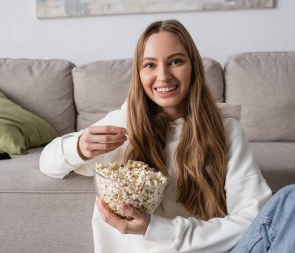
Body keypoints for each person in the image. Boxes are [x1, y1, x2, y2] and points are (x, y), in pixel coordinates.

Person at [39, 19, 295, 253]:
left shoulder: (225, 129)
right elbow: (48, 163)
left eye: (176, 61)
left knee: (290, 200)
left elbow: (252, 217)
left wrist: (159, 228)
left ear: (193, 66)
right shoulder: (124, 124)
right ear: (139, 74)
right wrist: (79, 146)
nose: (163, 76)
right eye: (150, 65)